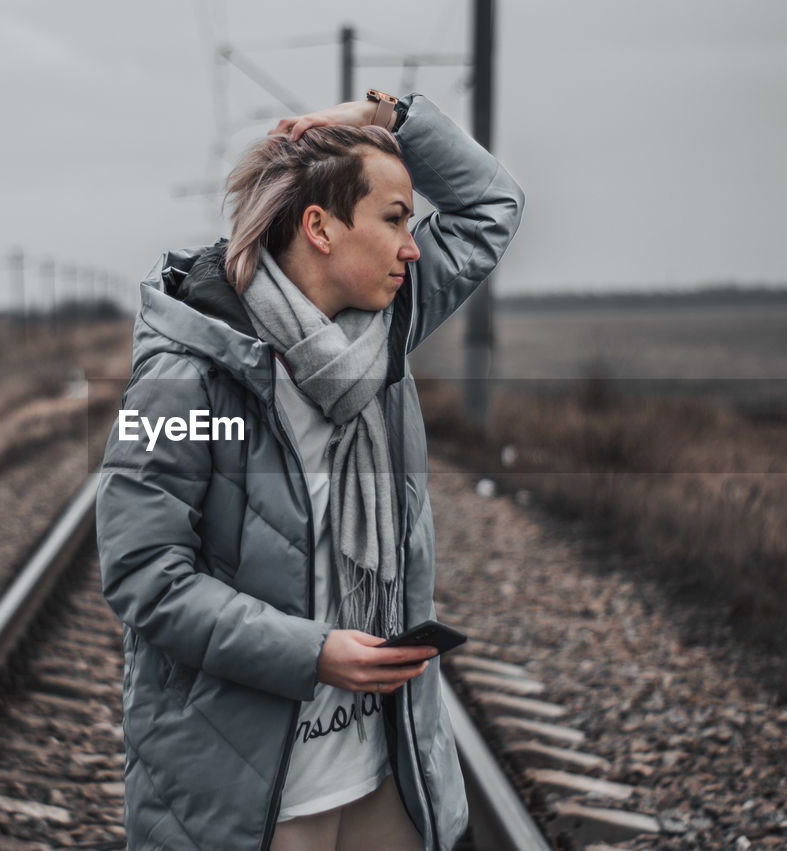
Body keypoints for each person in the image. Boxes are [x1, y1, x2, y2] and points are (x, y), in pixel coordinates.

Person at [96, 89, 524, 851]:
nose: (413, 245)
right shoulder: (184, 375)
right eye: (394, 219)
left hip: (380, 778)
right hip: (250, 793)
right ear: (320, 227)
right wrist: (314, 652)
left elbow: (491, 207)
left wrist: (387, 120)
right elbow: (144, 576)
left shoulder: (384, 332)